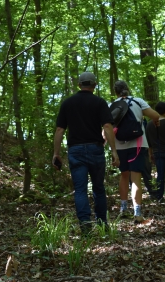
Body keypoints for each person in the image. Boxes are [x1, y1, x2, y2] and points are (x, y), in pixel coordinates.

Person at [53, 72, 119, 235]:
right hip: (95, 149)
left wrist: (56, 153)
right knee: (98, 188)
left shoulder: (68, 103)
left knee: (80, 189)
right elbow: (108, 127)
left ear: (79, 85)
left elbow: (60, 129)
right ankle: (103, 224)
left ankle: (85, 226)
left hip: (75, 150)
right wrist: (114, 151)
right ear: (94, 85)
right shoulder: (99, 102)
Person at [112, 80, 160, 223]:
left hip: (119, 145)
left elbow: (107, 126)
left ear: (115, 92)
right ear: (127, 89)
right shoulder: (138, 102)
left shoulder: (112, 105)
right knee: (136, 179)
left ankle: (123, 208)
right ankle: (137, 213)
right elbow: (156, 116)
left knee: (124, 176)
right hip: (138, 144)